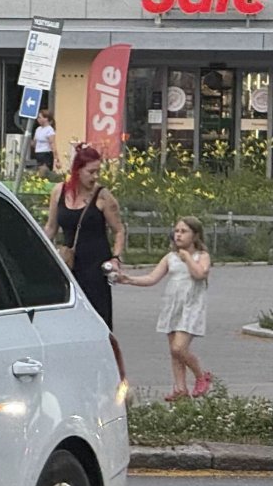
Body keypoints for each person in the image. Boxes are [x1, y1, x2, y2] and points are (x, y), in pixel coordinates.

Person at [116, 216, 214, 401]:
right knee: (174, 352)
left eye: (183, 231)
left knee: (179, 348)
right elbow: (152, 278)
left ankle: (201, 376)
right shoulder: (170, 258)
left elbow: (200, 274)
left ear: (195, 235)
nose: (178, 235)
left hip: (191, 307)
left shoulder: (201, 256)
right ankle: (180, 388)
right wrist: (128, 279)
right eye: (176, 231)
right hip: (173, 306)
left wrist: (187, 258)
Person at [45, 144, 125, 329]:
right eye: (91, 172)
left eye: (98, 171)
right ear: (77, 170)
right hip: (69, 264)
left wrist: (116, 258)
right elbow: (51, 227)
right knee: (69, 317)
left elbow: (119, 230)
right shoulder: (59, 192)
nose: (96, 176)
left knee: (97, 316)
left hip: (95, 266)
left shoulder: (103, 196)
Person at [31, 110, 57, 175]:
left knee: (44, 171)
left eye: (40, 117)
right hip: (38, 153)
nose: (38, 119)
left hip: (46, 153)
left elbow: (52, 144)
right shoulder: (38, 129)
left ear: (46, 119)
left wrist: (56, 158)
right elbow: (35, 143)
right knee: (39, 170)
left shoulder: (49, 130)